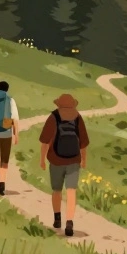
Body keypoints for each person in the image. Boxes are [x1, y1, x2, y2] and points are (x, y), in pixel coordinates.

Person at [38, 93, 89, 237]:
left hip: (56, 159)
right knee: (71, 191)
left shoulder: (53, 117)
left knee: (56, 190)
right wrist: (84, 160)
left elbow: (44, 141)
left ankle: (57, 218)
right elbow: (83, 142)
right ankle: (70, 222)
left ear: (58, 104)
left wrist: (42, 159)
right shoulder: (78, 117)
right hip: (74, 160)